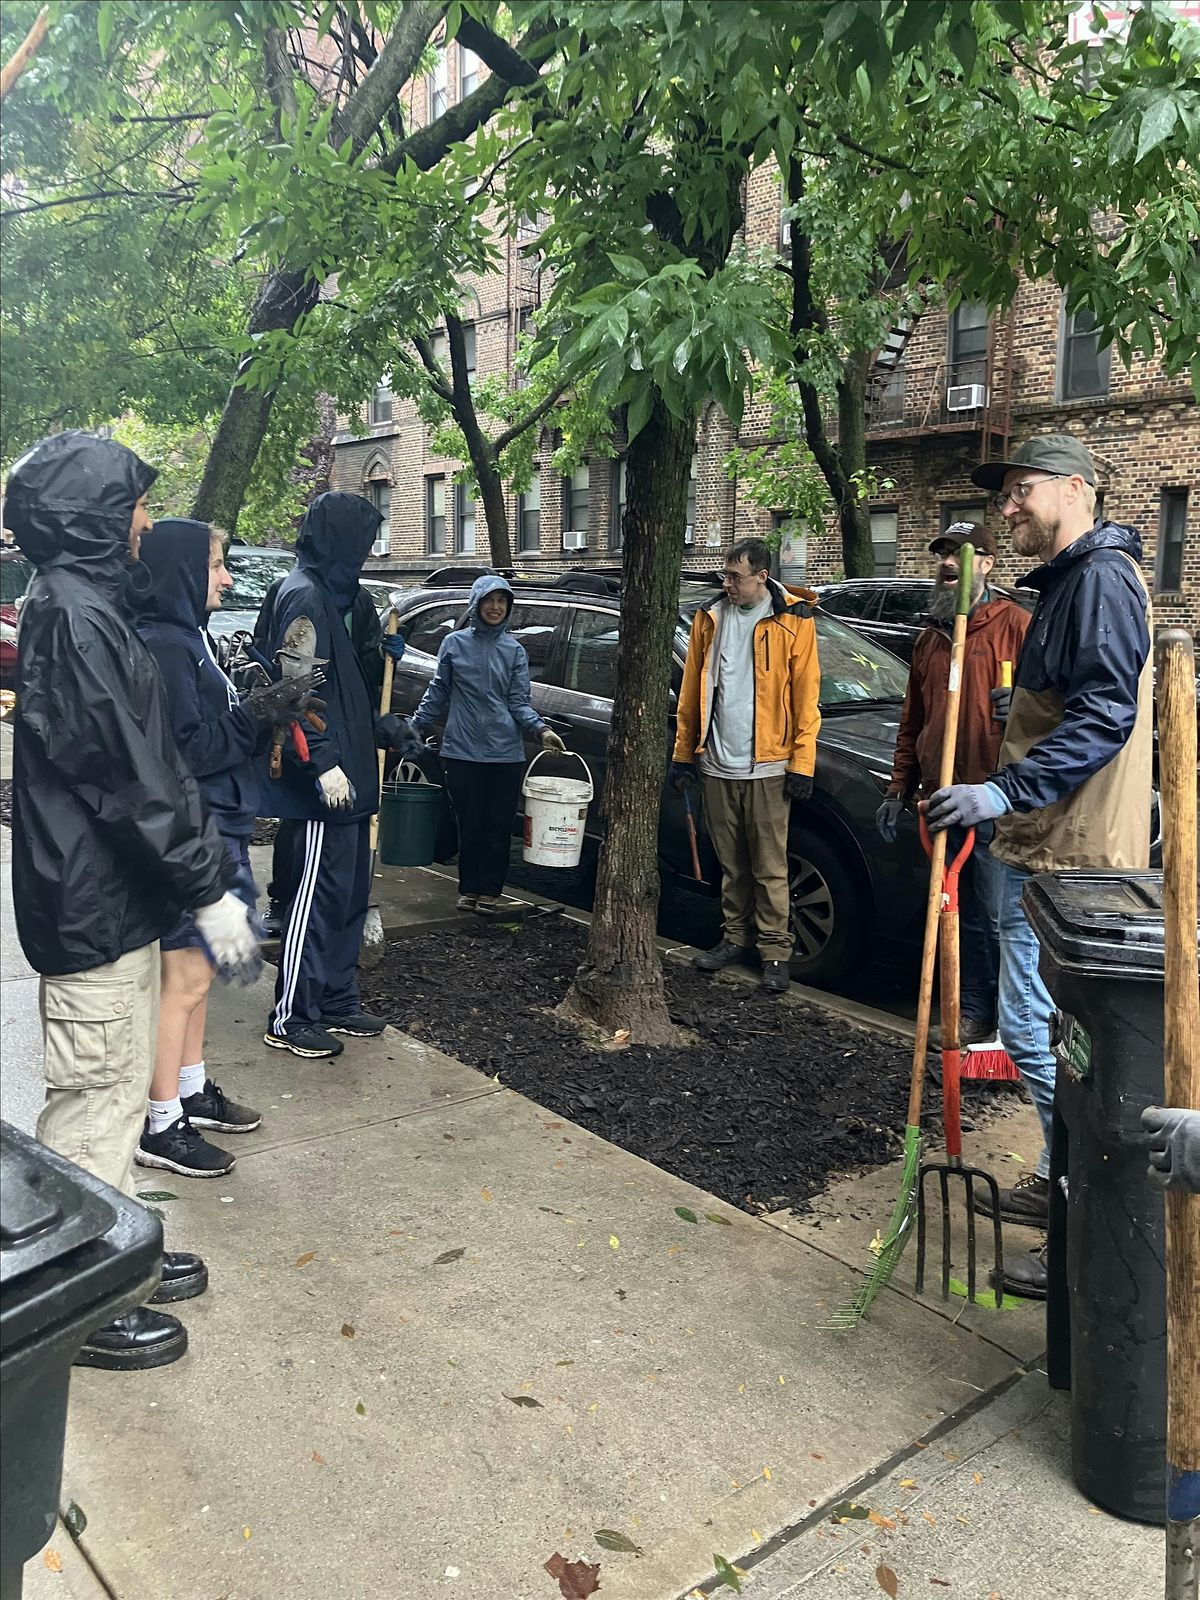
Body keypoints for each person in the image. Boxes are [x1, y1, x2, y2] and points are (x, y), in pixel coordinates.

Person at [5, 432, 260, 1370]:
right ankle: (69, 1302)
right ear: (92, 518)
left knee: (112, 1094)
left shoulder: (85, 607)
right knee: (96, 1102)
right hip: (91, 905)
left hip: (109, 897)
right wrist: (210, 889)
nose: (146, 521)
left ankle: (110, 1251)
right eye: (133, 506)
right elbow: (135, 778)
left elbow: (151, 763)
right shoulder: (77, 618)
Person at [925, 434, 1154, 1298]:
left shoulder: (1095, 580)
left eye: (1021, 491)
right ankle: (1067, 1185)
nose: (1007, 508)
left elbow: (1103, 717)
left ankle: (1083, 1224)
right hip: (1057, 844)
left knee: (1046, 1037)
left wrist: (1004, 788)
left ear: (1075, 488)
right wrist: (1018, 707)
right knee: (1059, 1042)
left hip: (1067, 854)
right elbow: (1075, 697)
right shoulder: (1076, 582)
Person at [136, 519, 308, 1177]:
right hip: (194, 835)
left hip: (221, 828)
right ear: (183, 571)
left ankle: (190, 1090)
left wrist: (261, 703)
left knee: (202, 973)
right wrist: (256, 713)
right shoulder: (167, 648)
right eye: (215, 565)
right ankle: (160, 1125)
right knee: (183, 978)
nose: (227, 578)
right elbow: (189, 750)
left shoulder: (190, 639)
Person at [261, 492, 418, 1059]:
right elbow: (295, 694)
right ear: (340, 538)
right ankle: (292, 1013)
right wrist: (323, 760)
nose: (370, 551)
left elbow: (344, 691)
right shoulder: (302, 594)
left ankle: (336, 998)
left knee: (350, 892)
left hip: (352, 772)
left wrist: (382, 728)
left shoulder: (338, 597)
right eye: (365, 539)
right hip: (323, 780)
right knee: (316, 896)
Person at [876, 523, 1029, 1043]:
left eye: (961, 555)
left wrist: (1027, 709)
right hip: (937, 798)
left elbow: (1059, 711)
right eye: (941, 554)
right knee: (948, 910)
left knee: (991, 917)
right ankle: (962, 1003)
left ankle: (994, 1016)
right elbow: (912, 721)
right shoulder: (930, 638)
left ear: (987, 563)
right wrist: (899, 788)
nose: (947, 565)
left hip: (992, 799)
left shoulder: (1016, 626)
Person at [670, 537, 821, 994]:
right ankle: (735, 937)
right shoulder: (709, 618)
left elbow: (805, 698)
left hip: (769, 766)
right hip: (716, 762)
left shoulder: (793, 621)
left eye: (736, 576)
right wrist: (683, 755)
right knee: (732, 863)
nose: (727, 583)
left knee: (769, 865)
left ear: (762, 576)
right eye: (725, 575)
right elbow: (693, 691)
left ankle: (775, 951)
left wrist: (802, 764)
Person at [411, 574, 565, 913]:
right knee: (471, 824)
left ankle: (491, 892)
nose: (495, 607)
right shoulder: (454, 644)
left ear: (508, 608)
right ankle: (469, 890)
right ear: (477, 604)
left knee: (497, 826)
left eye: (502, 602)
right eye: (489, 601)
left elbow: (518, 701)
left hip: (504, 754)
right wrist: (413, 726)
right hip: (462, 751)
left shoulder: (514, 651)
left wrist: (540, 730)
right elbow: (438, 692)